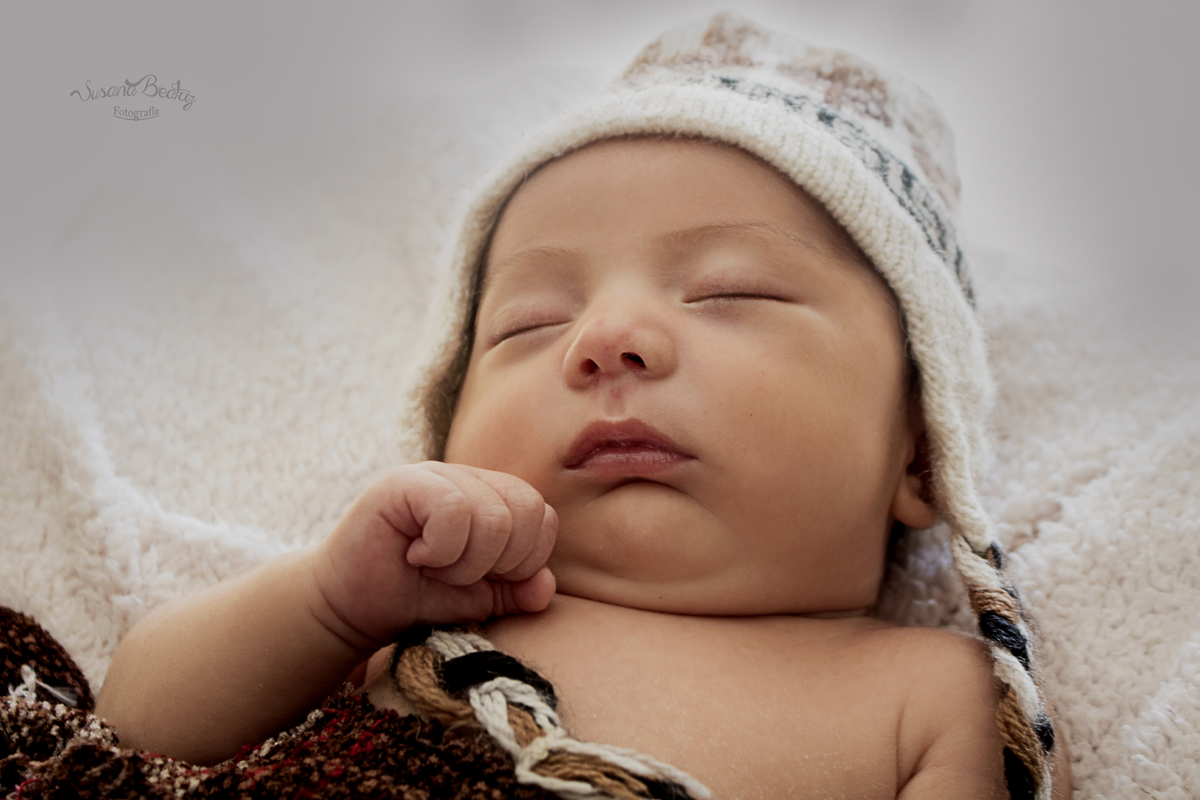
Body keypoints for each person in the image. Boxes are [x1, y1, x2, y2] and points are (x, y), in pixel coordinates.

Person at [95, 13, 1070, 799]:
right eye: (529, 321)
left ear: (920, 453)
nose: (603, 336)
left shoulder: (930, 695)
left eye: (731, 291)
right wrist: (327, 600)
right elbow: (132, 722)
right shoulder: (423, 614)